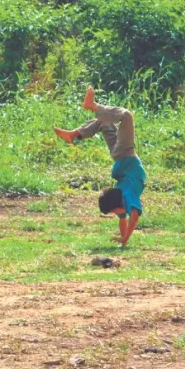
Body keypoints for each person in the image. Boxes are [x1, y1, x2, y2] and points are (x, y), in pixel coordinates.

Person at [54, 87, 146, 248]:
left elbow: (130, 217)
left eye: (113, 211)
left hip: (124, 155)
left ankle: (89, 113)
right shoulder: (125, 197)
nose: (116, 214)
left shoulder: (125, 196)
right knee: (108, 120)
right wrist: (124, 239)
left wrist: (125, 238)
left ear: (117, 205)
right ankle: (74, 133)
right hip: (122, 156)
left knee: (125, 116)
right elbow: (131, 216)